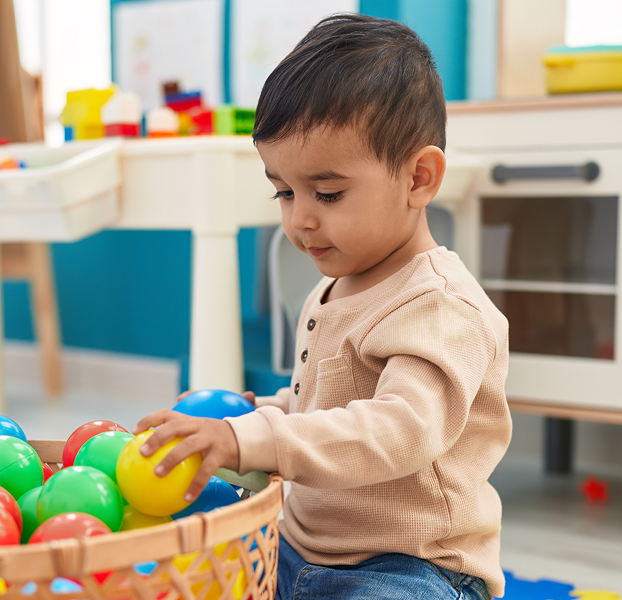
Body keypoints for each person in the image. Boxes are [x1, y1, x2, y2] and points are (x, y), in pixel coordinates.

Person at [134, 14, 511, 600]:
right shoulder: (338, 282)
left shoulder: (441, 306)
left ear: (419, 178)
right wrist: (260, 410)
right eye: (284, 191)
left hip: (412, 567)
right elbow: (327, 401)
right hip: (301, 549)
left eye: (328, 193)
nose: (300, 219)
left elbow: (397, 430)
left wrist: (253, 438)